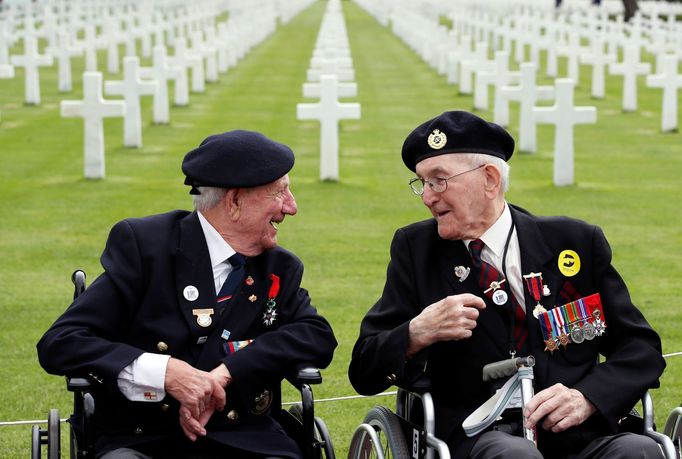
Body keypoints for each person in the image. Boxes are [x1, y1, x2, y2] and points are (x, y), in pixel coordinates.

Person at [348, 111, 665, 458]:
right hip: (480, 438)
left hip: (580, 434)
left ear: (490, 179)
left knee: (638, 450)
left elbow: (641, 349)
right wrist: (416, 332)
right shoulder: (416, 250)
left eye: (438, 181)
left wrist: (587, 397)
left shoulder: (574, 242)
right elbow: (365, 370)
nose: (427, 197)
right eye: (421, 183)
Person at [38, 130, 337, 459]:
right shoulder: (146, 247)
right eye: (280, 193)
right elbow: (62, 341)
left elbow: (316, 335)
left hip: (244, 436)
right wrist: (165, 373)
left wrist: (226, 374)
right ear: (235, 201)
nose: (291, 207)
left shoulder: (278, 268)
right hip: (142, 438)